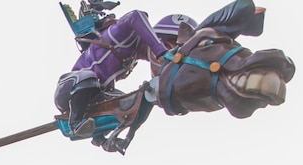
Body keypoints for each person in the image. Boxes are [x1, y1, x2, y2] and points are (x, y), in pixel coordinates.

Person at [54, 10, 196, 136]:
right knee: (87, 77)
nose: (170, 52)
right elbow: (135, 15)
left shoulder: (136, 51)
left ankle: (103, 138)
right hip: (70, 88)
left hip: (95, 95)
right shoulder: (121, 33)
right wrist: (160, 51)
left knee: (128, 103)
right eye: (170, 45)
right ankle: (76, 123)